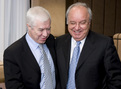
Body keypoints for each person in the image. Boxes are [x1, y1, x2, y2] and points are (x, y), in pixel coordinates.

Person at [56, 2, 121, 89]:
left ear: (89, 23)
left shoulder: (104, 44)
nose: (77, 27)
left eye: (82, 22)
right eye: (72, 23)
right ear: (67, 23)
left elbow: (116, 79)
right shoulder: (59, 42)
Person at [4, 6, 56, 89]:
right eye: (41, 30)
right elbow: (14, 86)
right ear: (29, 26)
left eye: (48, 29)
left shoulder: (51, 41)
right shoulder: (13, 53)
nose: (45, 34)